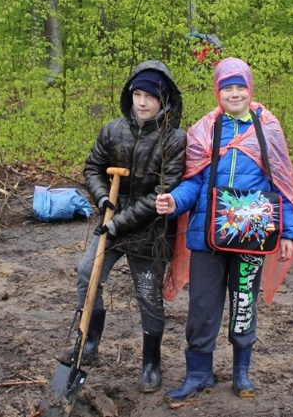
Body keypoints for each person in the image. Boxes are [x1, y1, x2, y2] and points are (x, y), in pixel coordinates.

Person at [155, 57, 293, 402]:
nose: (234, 94)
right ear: (217, 92)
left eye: (240, 87)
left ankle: (241, 373)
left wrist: (289, 233)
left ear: (250, 90)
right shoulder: (204, 130)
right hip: (207, 237)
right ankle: (198, 374)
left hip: (253, 237)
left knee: (243, 304)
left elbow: (282, 184)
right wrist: (175, 201)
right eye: (227, 88)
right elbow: (193, 183)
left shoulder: (268, 130)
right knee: (202, 307)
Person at [57, 60, 186, 393]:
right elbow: (93, 168)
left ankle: (151, 364)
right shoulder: (112, 130)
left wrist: (118, 224)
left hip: (150, 231)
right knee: (87, 272)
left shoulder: (174, 140)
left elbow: (163, 191)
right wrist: (103, 201)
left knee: (147, 295)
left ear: (165, 100)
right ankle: (88, 342)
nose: (142, 102)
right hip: (111, 220)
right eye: (137, 94)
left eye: (150, 97)